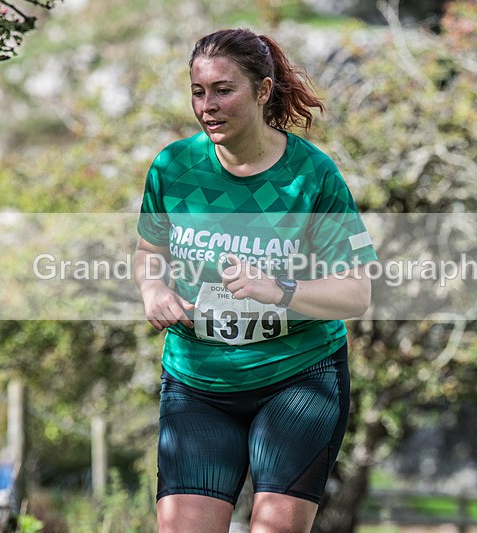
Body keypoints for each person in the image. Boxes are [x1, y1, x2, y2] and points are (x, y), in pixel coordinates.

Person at [133, 28, 377, 533]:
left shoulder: (312, 176)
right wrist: (153, 289)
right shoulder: (173, 168)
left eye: (223, 90)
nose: (207, 106)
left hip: (298, 378)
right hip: (198, 382)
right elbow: (149, 251)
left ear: (263, 91)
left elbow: (357, 291)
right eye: (198, 92)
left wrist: (280, 290)